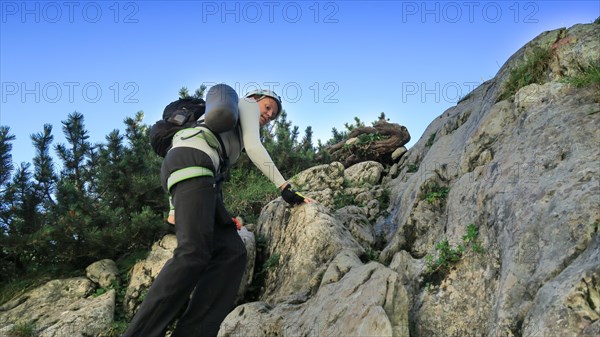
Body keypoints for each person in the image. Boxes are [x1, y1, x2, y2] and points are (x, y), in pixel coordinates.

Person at [122, 87, 315, 337]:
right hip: (192, 165)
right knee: (192, 254)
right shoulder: (245, 105)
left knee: (232, 252)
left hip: (195, 172)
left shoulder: (226, 131)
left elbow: (208, 166)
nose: (269, 115)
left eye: (274, 115)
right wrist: (285, 187)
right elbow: (254, 147)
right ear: (255, 99)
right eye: (268, 107)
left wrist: (220, 215)